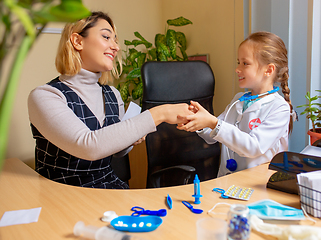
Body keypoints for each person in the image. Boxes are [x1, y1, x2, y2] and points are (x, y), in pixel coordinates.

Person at [27, 11, 193, 189]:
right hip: (64, 194)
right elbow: (89, 146)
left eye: (115, 40)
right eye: (106, 37)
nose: (116, 47)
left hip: (109, 187)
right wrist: (160, 113)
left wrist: (131, 137)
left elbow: (117, 152)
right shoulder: (46, 96)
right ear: (77, 41)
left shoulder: (112, 94)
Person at [177, 31, 297, 177]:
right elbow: (213, 135)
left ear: (269, 69)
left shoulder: (279, 108)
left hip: (257, 186)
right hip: (227, 181)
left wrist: (213, 123)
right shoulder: (239, 99)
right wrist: (198, 120)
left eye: (245, 63)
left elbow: (253, 147)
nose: (237, 69)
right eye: (238, 62)